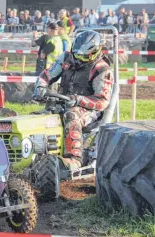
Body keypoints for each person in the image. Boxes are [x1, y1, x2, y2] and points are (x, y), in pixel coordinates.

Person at [33, 30, 114, 170]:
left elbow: (102, 101)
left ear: (94, 52)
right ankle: (35, 154)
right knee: (41, 118)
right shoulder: (66, 58)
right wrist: (40, 86)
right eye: (76, 54)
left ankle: (74, 159)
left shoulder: (101, 69)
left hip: (89, 109)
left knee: (71, 115)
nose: (77, 59)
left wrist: (78, 99)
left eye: (83, 57)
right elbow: (47, 74)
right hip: (63, 102)